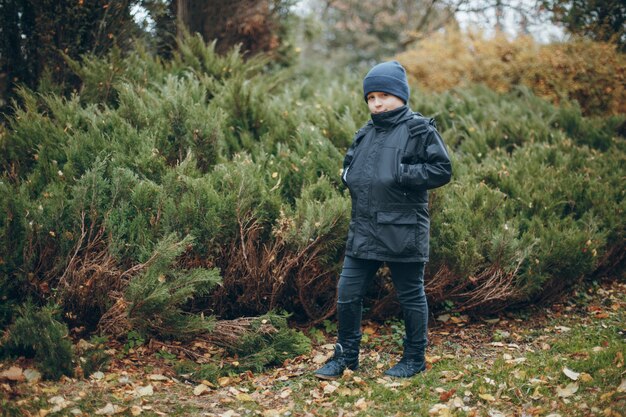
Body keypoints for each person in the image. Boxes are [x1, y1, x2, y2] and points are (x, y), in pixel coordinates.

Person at [314, 60, 452, 379]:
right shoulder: (365, 133)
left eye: (383, 95)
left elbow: (442, 169)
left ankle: (414, 358)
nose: (377, 103)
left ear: (400, 95)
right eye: (371, 97)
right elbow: (350, 166)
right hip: (364, 229)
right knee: (347, 293)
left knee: (410, 295)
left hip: (403, 230)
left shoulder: (419, 128)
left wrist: (402, 174)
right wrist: (349, 175)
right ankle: (346, 357)